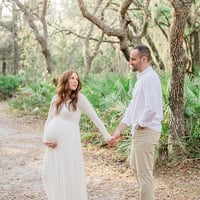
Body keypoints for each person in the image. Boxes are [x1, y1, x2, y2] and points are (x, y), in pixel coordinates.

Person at [42, 70, 113, 200]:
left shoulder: (80, 99)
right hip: (52, 145)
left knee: (66, 174)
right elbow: (49, 120)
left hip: (68, 142)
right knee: (48, 174)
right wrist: (44, 139)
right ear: (65, 81)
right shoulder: (56, 99)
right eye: (72, 78)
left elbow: (95, 117)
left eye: (77, 79)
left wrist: (107, 136)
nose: (75, 81)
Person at [112, 44, 163, 200]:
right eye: (130, 59)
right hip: (139, 132)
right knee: (135, 167)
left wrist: (140, 124)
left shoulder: (150, 79)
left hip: (146, 131)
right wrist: (119, 129)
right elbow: (132, 108)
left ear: (144, 59)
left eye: (133, 59)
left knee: (144, 173)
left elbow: (152, 109)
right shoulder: (141, 79)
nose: (130, 62)